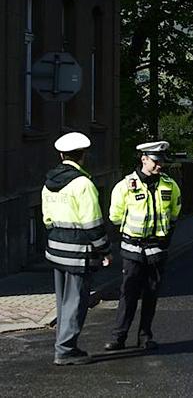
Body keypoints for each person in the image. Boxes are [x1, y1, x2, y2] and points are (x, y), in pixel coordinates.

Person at [42, 132, 112, 365]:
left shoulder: (48, 182)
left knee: (63, 302)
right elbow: (93, 223)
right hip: (78, 253)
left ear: (61, 155)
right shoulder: (83, 184)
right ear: (83, 156)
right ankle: (65, 349)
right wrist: (104, 249)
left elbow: (47, 219)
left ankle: (62, 344)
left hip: (56, 250)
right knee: (76, 302)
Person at [104, 141, 181, 351]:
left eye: (162, 161)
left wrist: (166, 239)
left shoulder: (170, 185)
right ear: (144, 159)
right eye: (156, 161)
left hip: (157, 249)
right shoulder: (125, 186)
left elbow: (174, 214)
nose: (160, 165)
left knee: (151, 294)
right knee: (128, 293)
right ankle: (118, 337)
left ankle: (145, 336)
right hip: (133, 249)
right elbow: (115, 217)